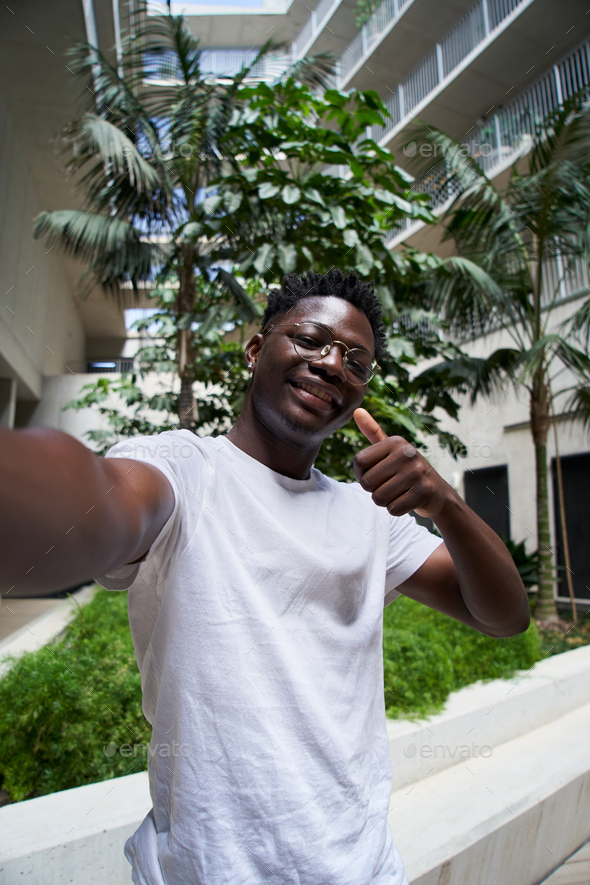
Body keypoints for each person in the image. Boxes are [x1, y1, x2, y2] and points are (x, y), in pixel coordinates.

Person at [1, 269, 529, 885]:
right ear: (256, 350)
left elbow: (503, 614)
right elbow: (97, 504)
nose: (333, 364)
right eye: (310, 340)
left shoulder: (370, 517)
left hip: (364, 868)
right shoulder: (184, 470)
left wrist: (446, 504)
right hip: (210, 870)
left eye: (356, 362)